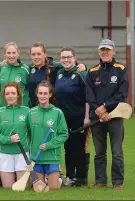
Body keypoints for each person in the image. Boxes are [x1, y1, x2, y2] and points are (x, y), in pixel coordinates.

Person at [85, 39, 128, 190]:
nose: (105, 52)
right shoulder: (92, 71)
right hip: (97, 118)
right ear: (99, 51)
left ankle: (117, 182)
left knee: (116, 152)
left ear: (113, 51)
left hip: (115, 117)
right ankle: (100, 181)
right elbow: (89, 95)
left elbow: (122, 94)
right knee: (99, 152)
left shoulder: (121, 69)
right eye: (102, 49)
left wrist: (105, 107)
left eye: (108, 49)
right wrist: (99, 110)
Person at [54, 47, 90, 187]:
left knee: (79, 148)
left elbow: (88, 98)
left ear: (75, 58)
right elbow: (49, 62)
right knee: (67, 147)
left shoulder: (82, 74)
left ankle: (81, 178)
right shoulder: (59, 73)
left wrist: (86, 117)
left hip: (79, 117)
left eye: (69, 57)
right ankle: (70, 176)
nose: (66, 59)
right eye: (63, 57)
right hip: (63, 119)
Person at [28, 81, 68, 190]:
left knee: (53, 188)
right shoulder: (31, 113)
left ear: (50, 94)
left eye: (45, 93)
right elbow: (27, 134)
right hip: (37, 157)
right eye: (40, 93)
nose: (42, 96)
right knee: (40, 190)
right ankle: (46, 179)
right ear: (37, 94)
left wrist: (49, 144)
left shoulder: (57, 113)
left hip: (52, 157)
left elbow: (64, 134)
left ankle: (58, 179)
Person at [0, 82, 30, 188]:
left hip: (22, 153)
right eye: (7, 93)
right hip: (5, 153)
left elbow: (32, 132)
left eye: (13, 93)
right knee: (8, 187)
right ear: (4, 95)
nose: (10, 96)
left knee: (23, 188)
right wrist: (8, 139)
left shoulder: (26, 111)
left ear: (18, 94)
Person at [28, 43, 87, 107]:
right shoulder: (29, 68)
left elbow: (69, 65)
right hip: (34, 109)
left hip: (51, 109)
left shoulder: (55, 66)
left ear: (45, 54)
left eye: (39, 54)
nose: (36, 57)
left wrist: (82, 66)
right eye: (33, 54)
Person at [0, 42, 30, 107]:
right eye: (8, 53)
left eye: (14, 53)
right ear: (4, 54)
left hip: (20, 111)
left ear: (18, 53)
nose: (11, 56)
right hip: (4, 109)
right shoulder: (2, 67)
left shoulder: (25, 70)